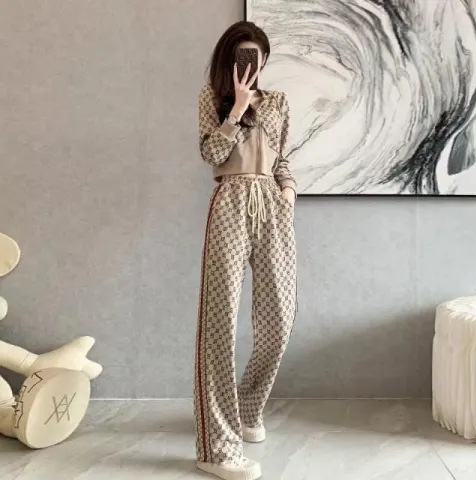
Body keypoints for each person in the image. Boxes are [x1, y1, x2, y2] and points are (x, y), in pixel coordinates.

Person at [194, 20, 297, 480]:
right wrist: (235, 108)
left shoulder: (278, 102)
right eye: (242, 56)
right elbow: (210, 154)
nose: (250, 64)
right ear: (229, 59)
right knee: (219, 322)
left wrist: (288, 189)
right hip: (231, 202)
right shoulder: (211, 99)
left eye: (257, 56)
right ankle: (215, 447)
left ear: (266, 59)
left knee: (280, 316)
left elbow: (282, 156)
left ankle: (248, 407)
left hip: (272, 204)